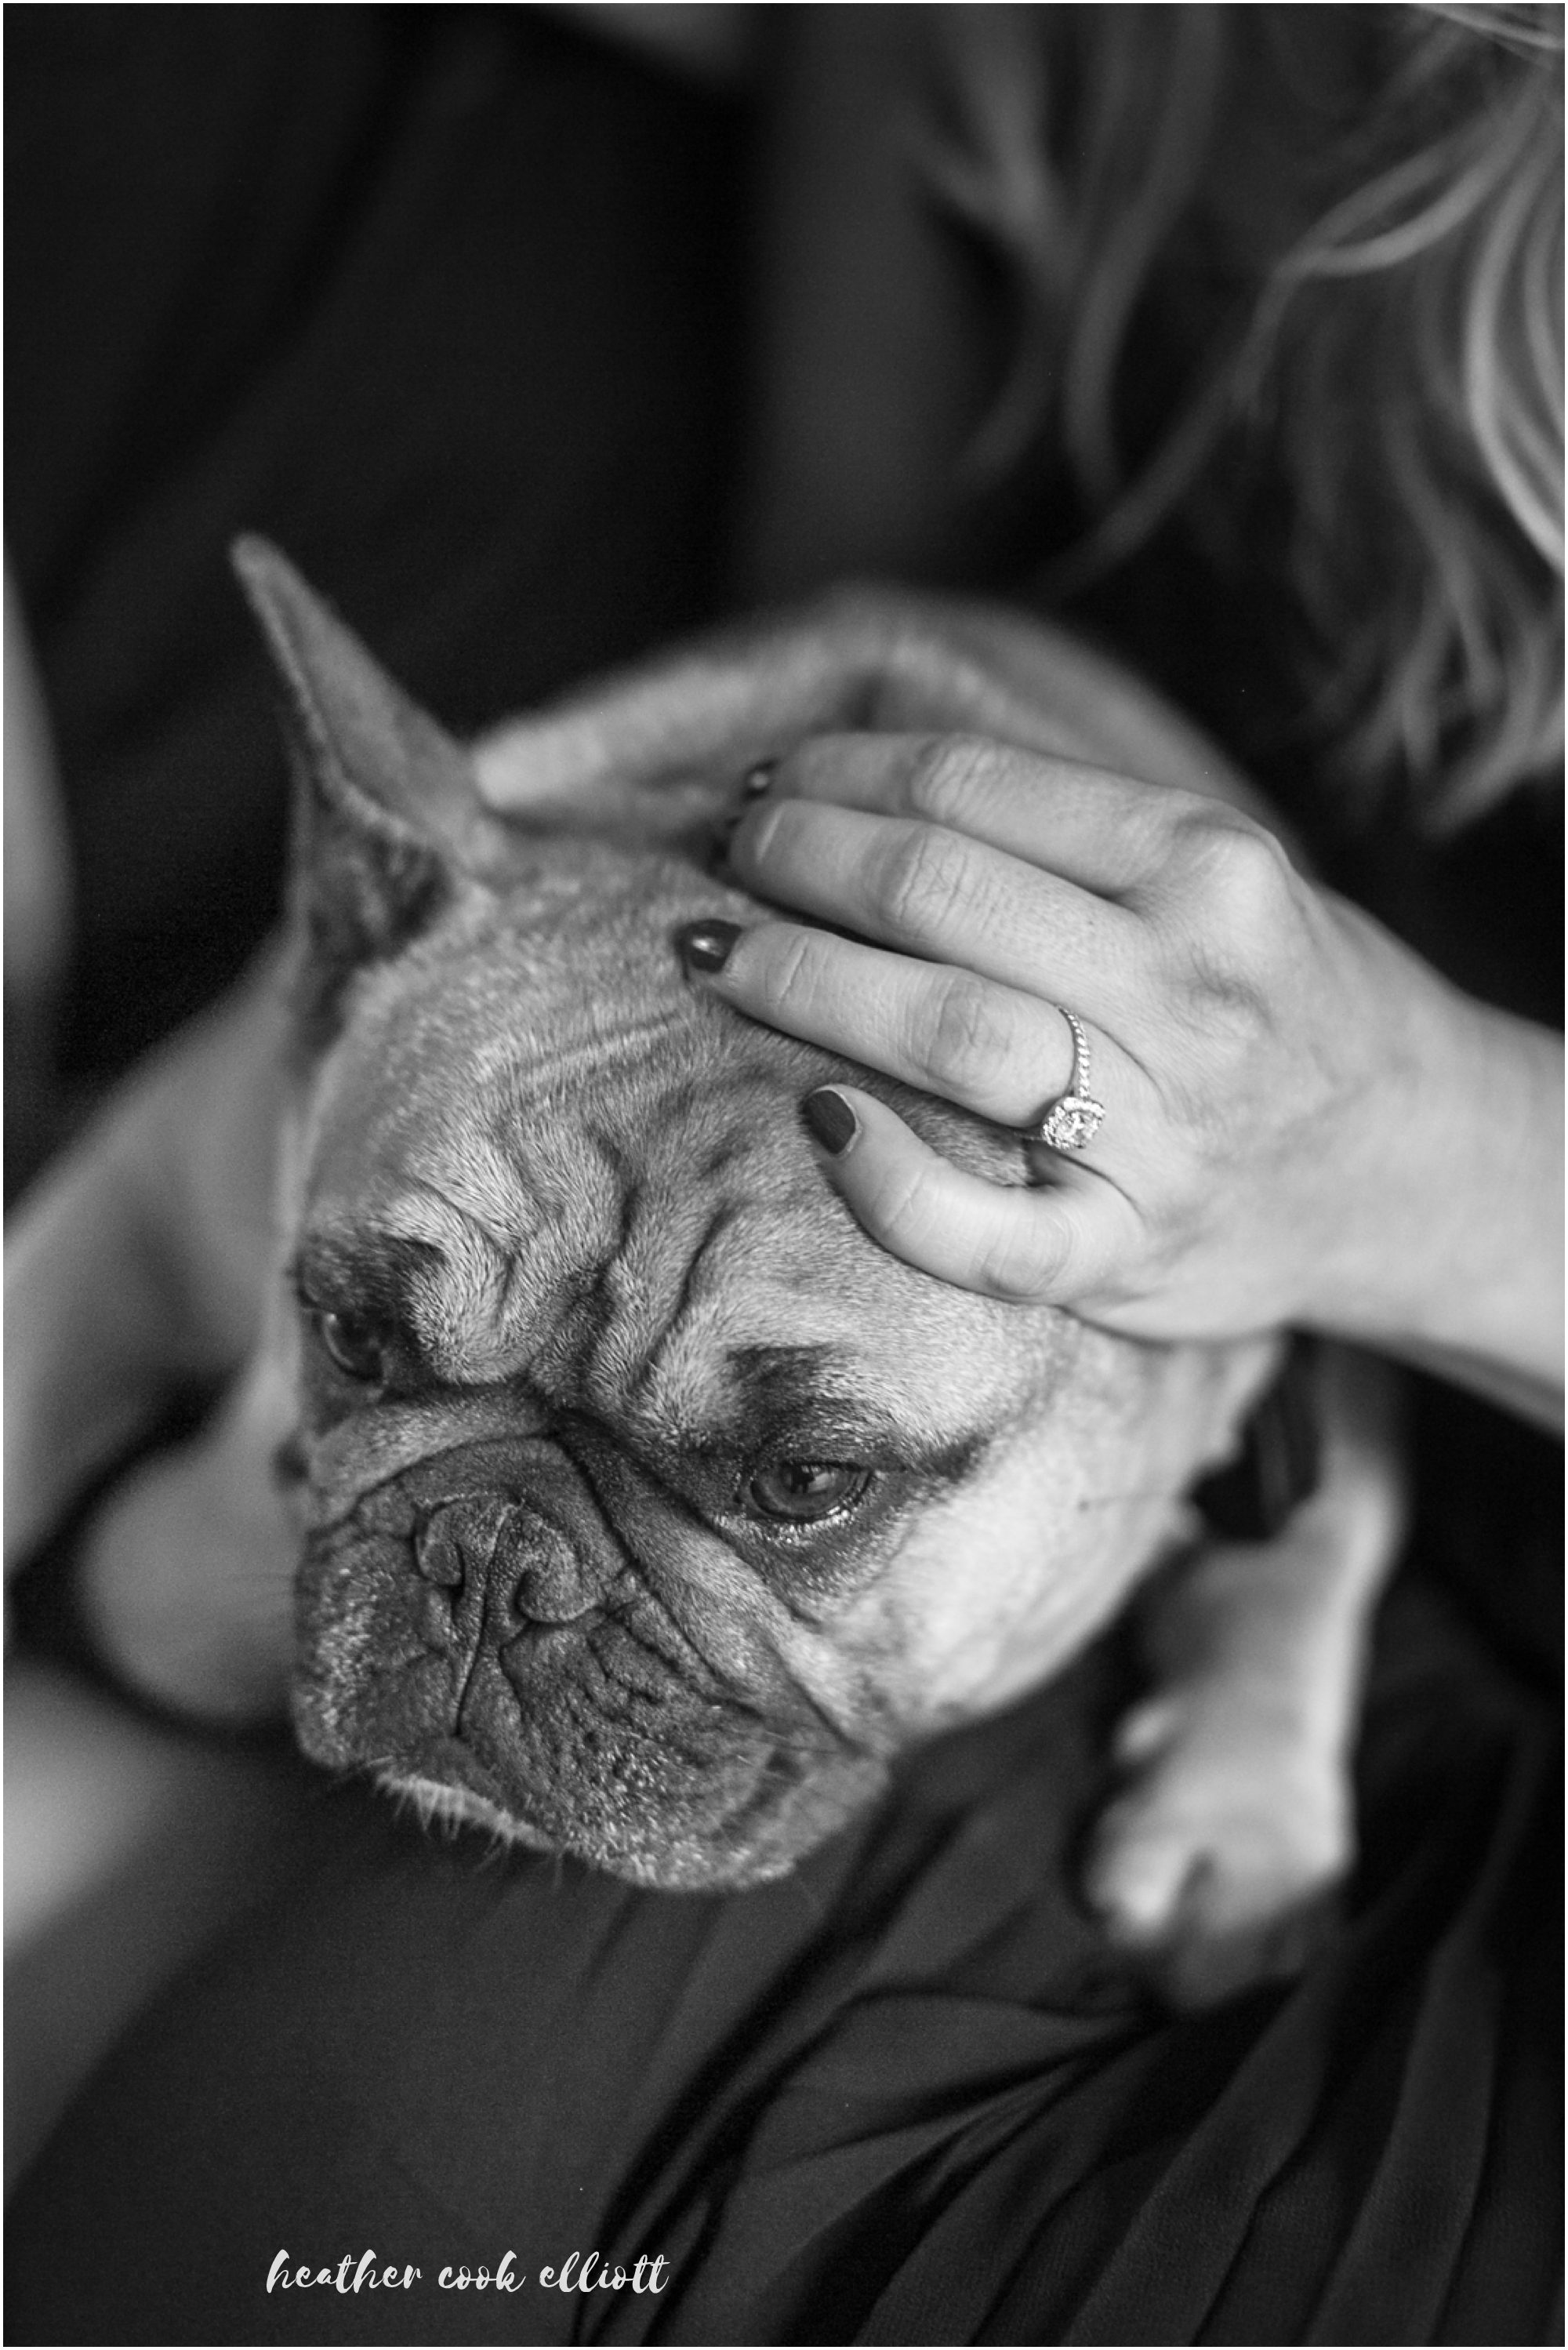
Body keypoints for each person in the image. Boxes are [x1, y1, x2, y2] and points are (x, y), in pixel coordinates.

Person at [5, 7, 1561, 2344]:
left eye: (798, 1466)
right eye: (378, 1321)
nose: (511, 1598)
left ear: (1218, 1392)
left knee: (319, 2208)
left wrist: (1270, 1672)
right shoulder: (470, 982)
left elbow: (1313, 1439)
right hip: (746, 913)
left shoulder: (1234, 1358)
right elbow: (838, 577)